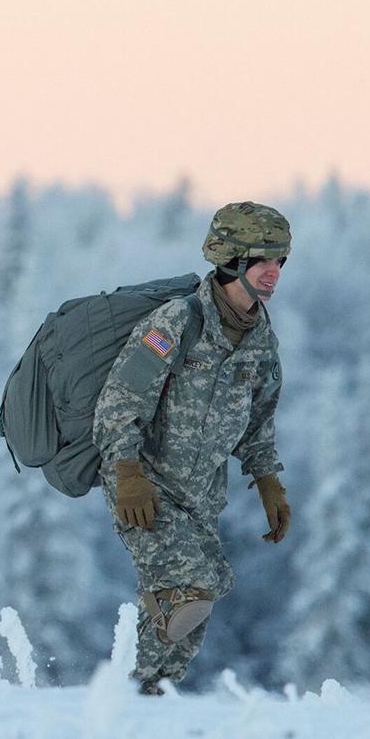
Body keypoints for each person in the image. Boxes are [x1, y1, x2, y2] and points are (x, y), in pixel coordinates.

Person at [92, 202, 292, 694]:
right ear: (231, 261)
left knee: (192, 606)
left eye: (280, 261)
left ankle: (141, 694)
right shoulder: (178, 322)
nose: (273, 272)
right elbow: (119, 403)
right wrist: (128, 474)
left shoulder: (260, 339)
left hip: (201, 494)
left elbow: (259, 420)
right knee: (189, 591)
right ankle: (124, 694)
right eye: (261, 260)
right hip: (145, 482)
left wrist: (268, 482)